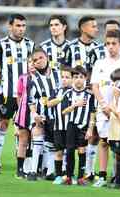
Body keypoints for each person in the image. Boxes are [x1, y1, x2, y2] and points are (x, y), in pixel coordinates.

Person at [0, 14, 35, 174]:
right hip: (8, 94)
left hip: (26, 96)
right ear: (10, 26)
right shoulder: (1, 44)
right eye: (18, 25)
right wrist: (2, 81)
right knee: (2, 125)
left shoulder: (30, 44)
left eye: (23, 26)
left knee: (24, 129)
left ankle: (23, 164)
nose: (21, 29)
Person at [90, 29, 120, 187]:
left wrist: (113, 108)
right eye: (108, 44)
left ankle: (118, 176)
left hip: (118, 110)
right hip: (102, 108)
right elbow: (95, 86)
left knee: (118, 143)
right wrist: (103, 105)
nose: (111, 47)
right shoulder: (99, 63)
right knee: (104, 142)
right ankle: (102, 175)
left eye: (114, 44)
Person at [28, 48, 62, 181]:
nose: (38, 62)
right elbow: (31, 101)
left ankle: (50, 171)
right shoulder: (33, 79)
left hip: (58, 116)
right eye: (35, 60)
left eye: (41, 58)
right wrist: (34, 114)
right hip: (41, 115)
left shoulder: (58, 74)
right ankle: (32, 171)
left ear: (47, 57)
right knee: (37, 137)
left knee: (53, 144)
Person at [62, 66, 96, 185]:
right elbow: (64, 111)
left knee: (82, 150)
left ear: (86, 78)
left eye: (81, 77)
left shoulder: (90, 95)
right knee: (70, 150)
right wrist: (75, 105)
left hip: (84, 126)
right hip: (71, 125)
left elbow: (92, 113)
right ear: (72, 79)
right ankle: (69, 176)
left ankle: (81, 177)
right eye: (76, 77)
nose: (78, 80)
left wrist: (90, 129)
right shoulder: (68, 93)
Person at [43, 66, 73, 184]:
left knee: (70, 152)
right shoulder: (56, 91)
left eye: (67, 77)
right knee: (59, 151)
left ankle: (69, 175)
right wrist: (59, 99)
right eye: (62, 77)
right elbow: (49, 104)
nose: (64, 80)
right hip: (58, 126)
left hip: (71, 127)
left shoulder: (74, 92)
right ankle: (58, 175)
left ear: (72, 79)